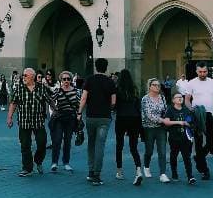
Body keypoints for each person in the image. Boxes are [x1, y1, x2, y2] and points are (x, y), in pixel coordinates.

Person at [77, 57, 116, 185]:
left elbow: (83, 98)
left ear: (96, 67)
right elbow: (113, 101)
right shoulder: (110, 82)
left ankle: (90, 170)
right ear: (106, 67)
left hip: (91, 116)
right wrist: (108, 108)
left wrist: (79, 113)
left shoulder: (89, 80)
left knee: (91, 144)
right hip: (104, 117)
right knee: (100, 145)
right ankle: (97, 174)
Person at [7, 67, 51, 177]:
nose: (23, 77)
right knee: (25, 145)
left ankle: (38, 160)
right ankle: (27, 168)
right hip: (24, 122)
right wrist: (9, 117)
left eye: (25, 75)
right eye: (23, 75)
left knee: (42, 143)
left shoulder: (41, 88)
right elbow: (13, 103)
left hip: (38, 121)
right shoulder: (19, 88)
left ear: (32, 76)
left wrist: (56, 111)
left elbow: (49, 100)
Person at [184, 62, 213, 181]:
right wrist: (191, 109)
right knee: (198, 143)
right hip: (197, 115)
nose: (203, 74)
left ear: (207, 71)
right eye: (200, 72)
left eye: (205, 71)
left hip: (209, 114)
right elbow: (187, 100)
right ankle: (204, 170)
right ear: (196, 71)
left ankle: (199, 158)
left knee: (212, 142)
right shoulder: (191, 83)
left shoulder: (212, 82)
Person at [113, 69, 144, 185]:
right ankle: (138, 170)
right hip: (135, 118)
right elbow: (138, 105)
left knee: (119, 145)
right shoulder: (134, 89)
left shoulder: (117, 89)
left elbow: (114, 105)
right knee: (133, 147)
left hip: (121, 117)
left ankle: (119, 171)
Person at [49, 70, 80, 173]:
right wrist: (54, 110)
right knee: (57, 140)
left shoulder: (76, 91)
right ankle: (54, 162)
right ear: (61, 80)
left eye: (68, 79)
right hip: (59, 117)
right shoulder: (58, 90)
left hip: (70, 118)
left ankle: (66, 163)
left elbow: (79, 104)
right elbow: (51, 100)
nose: (66, 81)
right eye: (64, 79)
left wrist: (79, 114)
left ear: (71, 80)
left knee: (67, 141)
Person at [162, 92, 196, 184]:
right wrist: (179, 122)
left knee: (187, 157)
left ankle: (190, 176)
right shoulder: (170, 110)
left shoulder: (186, 110)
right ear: (173, 100)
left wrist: (187, 123)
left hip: (185, 137)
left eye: (181, 97)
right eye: (177, 97)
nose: (180, 98)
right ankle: (174, 173)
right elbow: (167, 122)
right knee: (174, 155)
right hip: (174, 137)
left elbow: (191, 123)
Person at [141, 77, 169, 183]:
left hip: (161, 128)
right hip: (149, 128)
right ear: (150, 87)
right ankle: (146, 166)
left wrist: (166, 118)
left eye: (158, 85)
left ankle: (162, 174)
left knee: (162, 151)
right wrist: (162, 120)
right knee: (149, 150)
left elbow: (165, 109)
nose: (157, 87)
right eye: (155, 85)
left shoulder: (162, 97)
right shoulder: (145, 99)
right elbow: (149, 115)